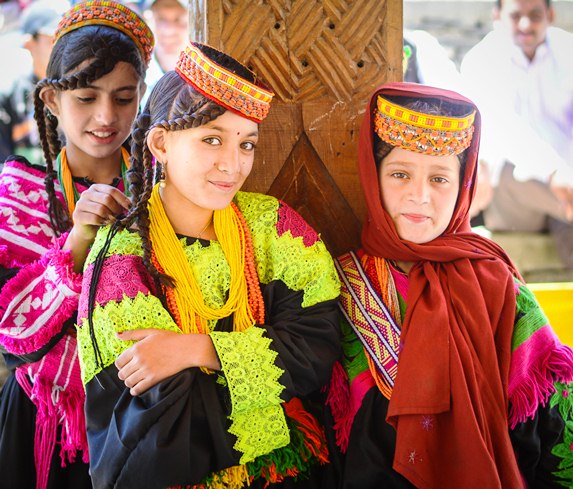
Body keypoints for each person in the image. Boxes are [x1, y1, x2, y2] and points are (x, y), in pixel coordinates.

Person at [75, 42, 341, 488]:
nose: (232, 165)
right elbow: (159, 414)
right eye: (212, 139)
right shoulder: (122, 256)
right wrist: (265, 381)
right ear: (160, 142)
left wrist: (199, 350)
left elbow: (316, 343)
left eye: (247, 144)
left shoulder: (272, 226)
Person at [325, 82, 573, 488]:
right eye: (400, 174)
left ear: (464, 187)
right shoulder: (339, 285)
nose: (419, 195)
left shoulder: (496, 283)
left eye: (440, 179)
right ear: (374, 177)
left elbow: (555, 421)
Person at [0, 2, 153, 488]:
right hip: (46, 421)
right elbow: (12, 338)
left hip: (147, 414)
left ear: (142, 96)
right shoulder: (15, 197)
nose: (106, 116)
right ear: (50, 101)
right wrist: (76, 243)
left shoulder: (163, 190)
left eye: (124, 97)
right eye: (86, 97)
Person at [460, 0, 573, 267]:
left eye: (535, 16)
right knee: (508, 170)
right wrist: (553, 172)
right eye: (515, 16)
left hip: (567, 188)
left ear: (551, 15)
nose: (525, 25)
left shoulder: (568, 51)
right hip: (515, 198)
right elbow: (506, 133)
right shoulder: (481, 60)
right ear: (497, 16)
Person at [0, 0, 69, 165]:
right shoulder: (8, 95)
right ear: (29, 43)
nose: (63, 47)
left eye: (67, 38)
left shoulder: (81, 91)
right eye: (53, 39)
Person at [140, 0, 189, 108]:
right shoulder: (136, 73)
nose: (168, 30)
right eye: (160, 18)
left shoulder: (206, 76)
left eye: (178, 19)